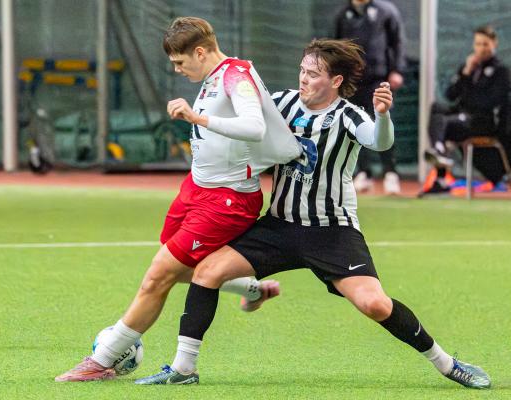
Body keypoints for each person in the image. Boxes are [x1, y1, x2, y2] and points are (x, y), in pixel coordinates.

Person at [135, 39, 491, 390]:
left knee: (374, 304)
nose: (304, 79)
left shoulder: (348, 115)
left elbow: (378, 141)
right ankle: (184, 367)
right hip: (279, 226)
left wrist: (382, 116)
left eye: (314, 74)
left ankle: (447, 364)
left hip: (331, 232)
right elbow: (244, 115)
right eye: (302, 70)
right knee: (207, 271)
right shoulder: (282, 103)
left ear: (336, 81)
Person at [54, 16, 301, 382]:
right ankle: (251, 288)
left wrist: (197, 118)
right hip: (195, 189)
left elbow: (254, 127)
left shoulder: (235, 75)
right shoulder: (212, 77)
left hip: (227, 200)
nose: (177, 70)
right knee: (173, 265)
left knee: (158, 275)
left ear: (200, 52)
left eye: (180, 62)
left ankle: (102, 360)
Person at [422, 25, 510, 195]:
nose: (481, 48)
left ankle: (439, 158)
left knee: (443, 122)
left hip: (482, 122)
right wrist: (465, 73)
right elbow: (450, 95)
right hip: (463, 118)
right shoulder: (468, 68)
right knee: (437, 109)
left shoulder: (501, 71)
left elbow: (490, 102)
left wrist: (468, 101)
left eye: (485, 44)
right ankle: (439, 158)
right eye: (478, 44)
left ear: (494, 44)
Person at [335, 0, 406, 194]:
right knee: (355, 125)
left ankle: (390, 173)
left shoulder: (386, 11)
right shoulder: (342, 15)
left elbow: (397, 43)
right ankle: (363, 172)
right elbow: (335, 47)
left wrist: (397, 70)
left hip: (378, 78)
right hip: (352, 81)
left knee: (382, 122)